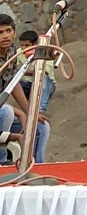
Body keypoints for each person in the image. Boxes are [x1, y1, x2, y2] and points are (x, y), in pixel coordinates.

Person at [0, 15, 48, 165]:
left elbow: (14, 83)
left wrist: (30, 112)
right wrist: (19, 112)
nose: (5, 36)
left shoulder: (12, 52)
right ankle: (2, 162)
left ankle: (35, 166)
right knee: (7, 111)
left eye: (8, 31)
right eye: (0, 32)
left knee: (40, 126)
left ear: (14, 32)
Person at [16, 30, 55, 163]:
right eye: (22, 46)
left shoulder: (44, 52)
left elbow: (44, 70)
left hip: (44, 83)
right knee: (18, 81)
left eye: (27, 46)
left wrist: (26, 69)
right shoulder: (17, 53)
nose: (24, 49)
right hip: (26, 83)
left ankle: (40, 109)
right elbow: (15, 72)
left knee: (42, 80)